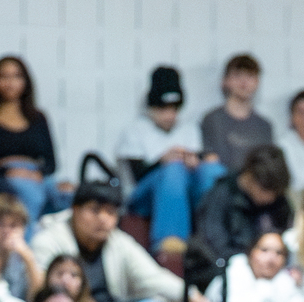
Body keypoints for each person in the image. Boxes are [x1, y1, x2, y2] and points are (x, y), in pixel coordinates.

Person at [31, 183, 185, 302]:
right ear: (75, 210)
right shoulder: (48, 239)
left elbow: (154, 278)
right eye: (94, 211)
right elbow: (43, 292)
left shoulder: (118, 241)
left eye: (111, 213)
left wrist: (194, 297)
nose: (103, 219)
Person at [116, 65, 223, 250]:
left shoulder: (189, 130)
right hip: (144, 197)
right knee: (173, 170)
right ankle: (169, 243)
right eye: (163, 108)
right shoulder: (135, 131)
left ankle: (215, 236)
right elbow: (135, 176)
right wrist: (162, 162)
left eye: (174, 109)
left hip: (185, 194)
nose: (169, 115)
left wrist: (195, 163)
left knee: (211, 170)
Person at [0, 56, 62, 225]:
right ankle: (22, 246)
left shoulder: (38, 118)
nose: (10, 82)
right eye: (4, 77)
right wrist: (8, 172)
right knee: (29, 193)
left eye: (17, 76)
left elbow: (51, 162)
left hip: (37, 174)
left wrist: (37, 173)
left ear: (26, 81)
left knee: (68, 195)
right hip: (2, 176)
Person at [188, 144, 293, 272]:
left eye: (275, 193)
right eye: (266, 190)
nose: (271, 198)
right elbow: (213, 243)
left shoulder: (277, 200)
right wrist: (247, 262)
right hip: (231, 267)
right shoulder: (221, 194)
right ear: (250, 177)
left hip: (272, 268)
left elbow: (287, 236)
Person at [200, 53, 277, 175]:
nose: (244, 82)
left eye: (250, 76)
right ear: (226, 81)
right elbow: (210, 161)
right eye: (238, 75)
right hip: (221, 185)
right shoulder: (213, 120)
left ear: (257, 82)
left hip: (255, 187)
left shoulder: (264, 126)